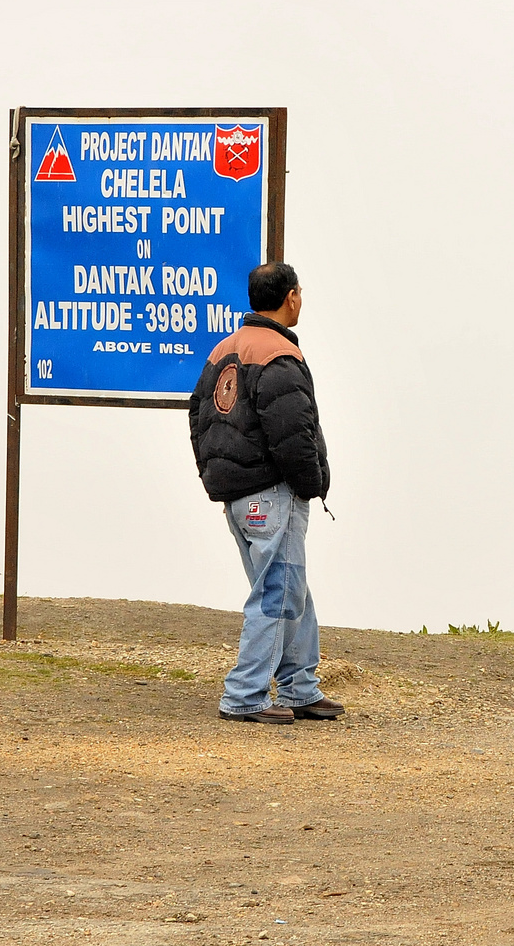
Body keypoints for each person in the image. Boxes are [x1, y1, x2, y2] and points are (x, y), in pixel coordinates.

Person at [188, 262, 342, 724]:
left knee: (289, 589)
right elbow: (294, 432)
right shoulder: (278, 355)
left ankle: (299, 687)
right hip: (273, 495)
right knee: (277, 591)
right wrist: (312, 484)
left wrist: (214, 476)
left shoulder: (224, 350)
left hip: (237, 497)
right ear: (290, 297)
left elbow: (198, 415)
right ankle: (244, 695)